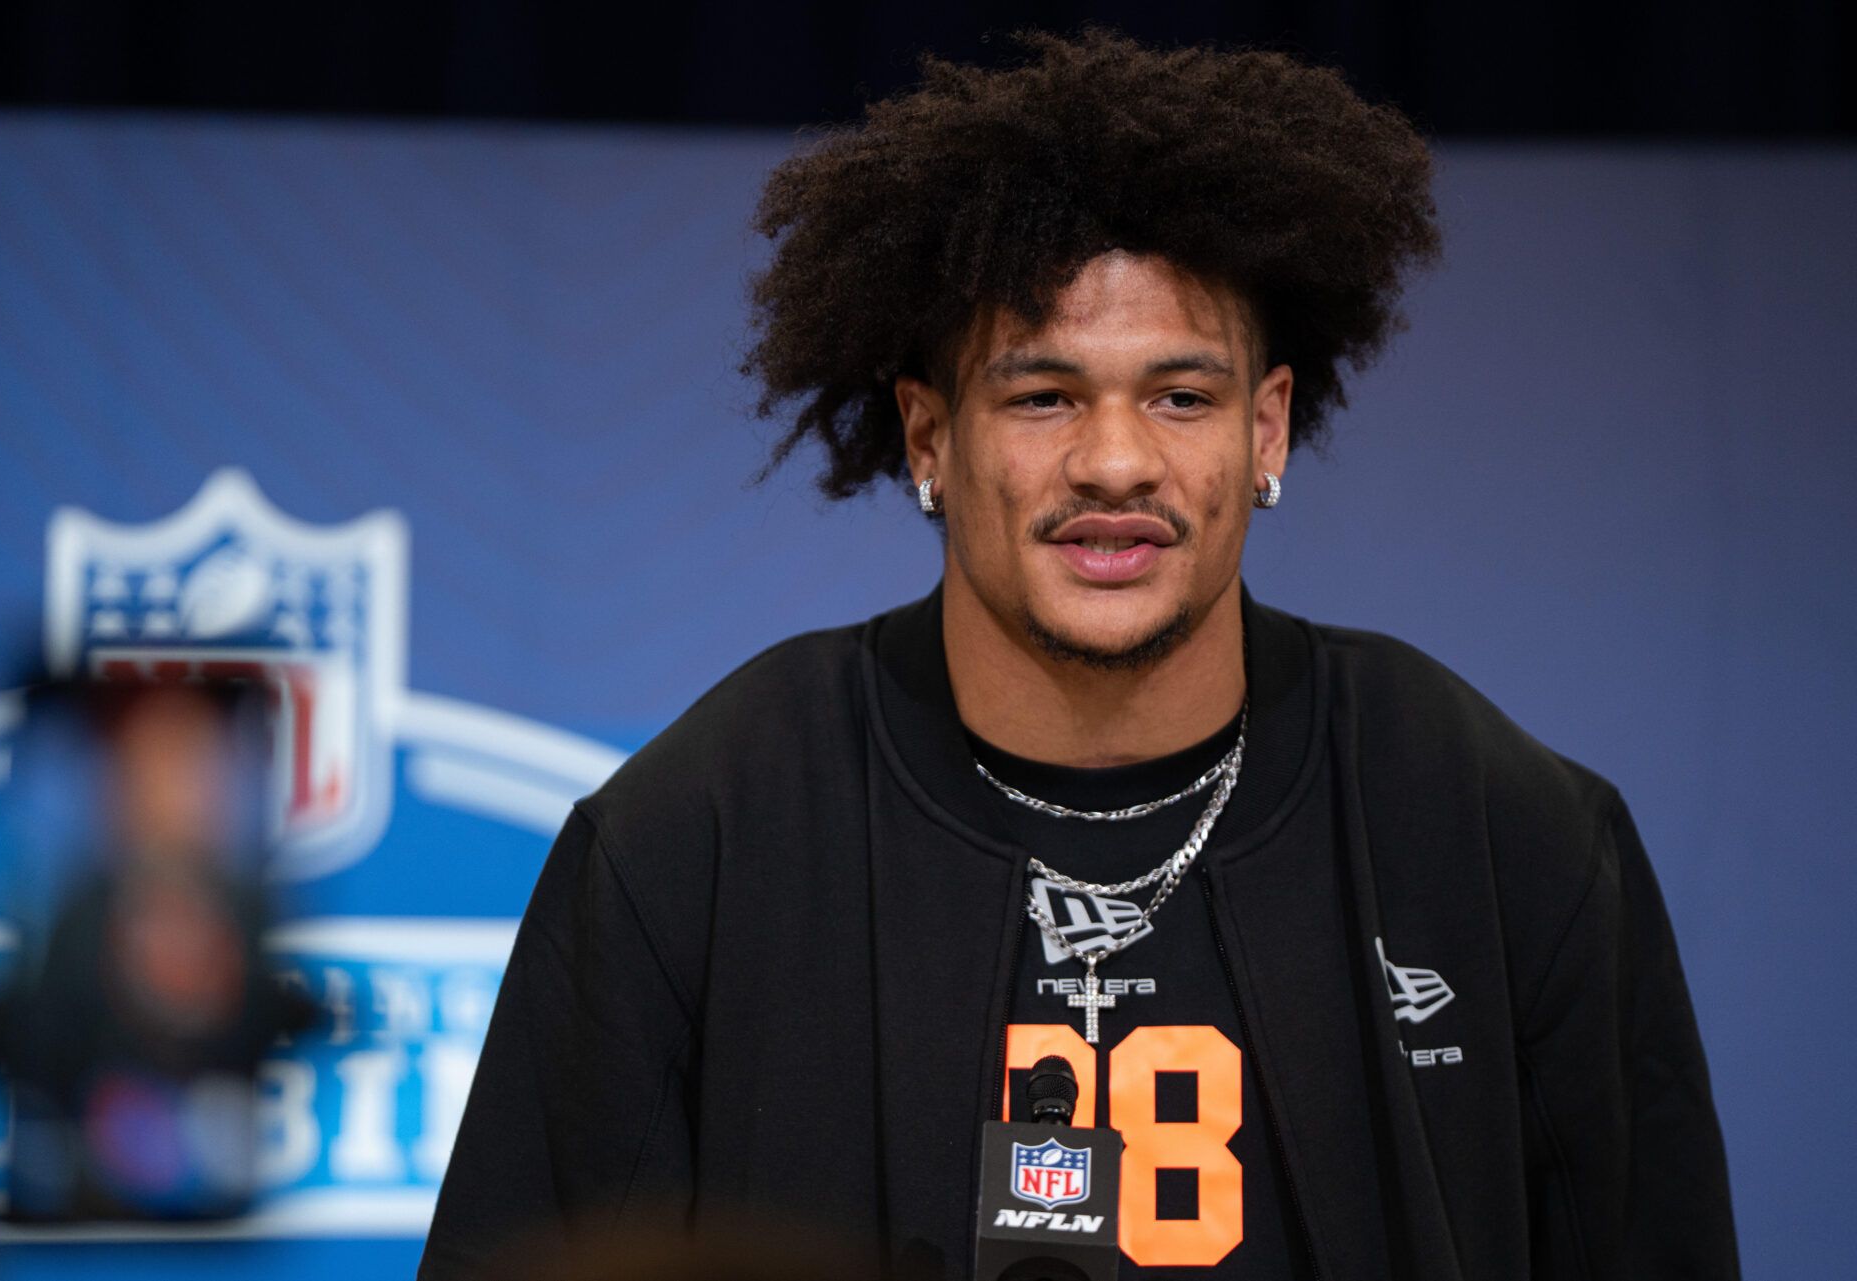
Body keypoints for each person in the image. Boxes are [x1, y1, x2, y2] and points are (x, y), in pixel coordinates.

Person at [419, 30, 1738, 1281]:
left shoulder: (1498, 826)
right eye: (1043, 396)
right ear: (929, 439)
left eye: (1182, 396)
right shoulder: (696, 833)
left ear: (1266, 430)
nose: (1115, 463)